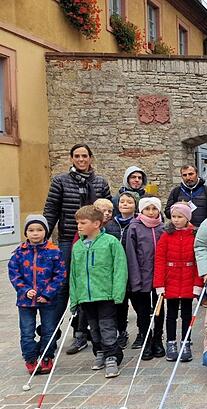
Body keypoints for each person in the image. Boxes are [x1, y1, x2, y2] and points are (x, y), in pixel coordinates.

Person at [43, 144, 111, 354]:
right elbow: (51, 210)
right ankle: (50, 337)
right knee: (64, 286)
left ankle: (81, 332)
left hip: (95, 240)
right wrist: (44, 238)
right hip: (68, 240)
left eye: (85, 156)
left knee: (88, 285)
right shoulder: (60, 181)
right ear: (71, 158)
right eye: (77, 156)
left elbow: (108, 211)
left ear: (91, 158)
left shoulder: (100, 183)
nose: (81, 159)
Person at [69, 205, 127, 378]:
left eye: (82, 222)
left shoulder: (110, 242)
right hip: (86, 296)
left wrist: (118, 293)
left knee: (107, 326)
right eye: (77, 223)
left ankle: (112, 356)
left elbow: (120, 268)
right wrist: (74, 298)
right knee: (93, 327)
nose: (79, 226)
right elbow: (73, 274)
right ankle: (99, 351)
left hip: (105, 294)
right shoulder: (78, 246)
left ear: (96, 223)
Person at [8, 215, 66, 374]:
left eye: (39, 230)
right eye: (31, 230)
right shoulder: (19, 253)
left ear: (45, 232)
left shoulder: (54, 252)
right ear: (26, 233)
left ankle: (47, 356)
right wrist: (25, 290)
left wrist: (48, 293)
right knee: (27, 331)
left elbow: (60, 275)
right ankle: (30, 358)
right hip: (25, 301)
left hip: (48, 300)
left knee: (49, 329)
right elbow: (14, 274)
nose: (35, 233)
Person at [153, 202, 204, 362]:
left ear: (187, 218)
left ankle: (186, 342)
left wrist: (198, 283)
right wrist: (159, 284)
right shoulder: (166, 235)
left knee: (187, 314)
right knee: (171, 314)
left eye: (180, 217)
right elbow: (160, 260)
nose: (176, 220)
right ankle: (171, 342)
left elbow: (198, 260)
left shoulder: (195, 235)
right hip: (171, 278)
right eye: (174, 216)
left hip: (188, 277)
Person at [125, 197, 166, 361]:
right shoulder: (134, 228)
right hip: (141, 275)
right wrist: (135, 279)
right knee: (142, 310)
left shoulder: (163, 228)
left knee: (159, 309)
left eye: (154, 209)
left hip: (159, 277)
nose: (151, 212)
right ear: (141, 211)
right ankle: (146, 338)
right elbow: (131, 254)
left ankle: (158, 338)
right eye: (147, 209)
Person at [104, 191, 139, 349]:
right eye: (122, 201)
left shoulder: (138, 223)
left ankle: (143, 331)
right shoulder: (110, 224)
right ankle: (122, 331)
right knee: (120, 303)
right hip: (116, 271)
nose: (125, 204)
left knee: (138, 302)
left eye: (129, 202)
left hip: (134, 268)